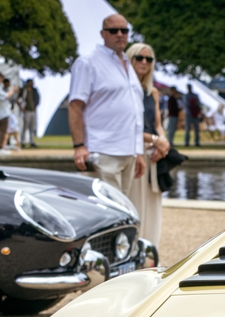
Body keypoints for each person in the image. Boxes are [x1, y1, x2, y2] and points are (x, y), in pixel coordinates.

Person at [68, 14, 145, 195]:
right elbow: (75, 106)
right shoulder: (88, 63)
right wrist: (79, 146)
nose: (120, 34)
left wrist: (138, 151)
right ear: (103, 34)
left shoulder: (127, 63)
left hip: (128, 151)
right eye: (113, 30)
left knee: (123, 207)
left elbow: (134, 109)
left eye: (124, 30)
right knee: (108, 208)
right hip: (103, 149)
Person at [125, 43, 170, 248]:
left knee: (153, 202)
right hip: (135, 147)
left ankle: (151, 247)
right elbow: (126, 126)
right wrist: (154, 140)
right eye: (139, 57)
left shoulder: (152, 92)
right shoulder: (124, 89)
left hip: (154, 150)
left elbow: (158, 124)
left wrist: (163, 143)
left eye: (148, 59)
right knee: (134, 200)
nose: (144, 62)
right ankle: (132, 246)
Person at [0, 73, 18, 152]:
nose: (2, 81)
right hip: (1, 112)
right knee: (2, 130)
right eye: (1, 79)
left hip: (0, 112)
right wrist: (13, 90)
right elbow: (5, 97)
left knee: (0, 130)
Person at [20, 80, 39, 148]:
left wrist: (35, 106)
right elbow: (19, 99)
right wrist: (21, 107)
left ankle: (32, 142)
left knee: (32, 127)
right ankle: (23, 141)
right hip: (26, 111)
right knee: (25, 127)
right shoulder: (24, 90)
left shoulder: (34, 90)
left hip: (33, 111)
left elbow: (37, 99)